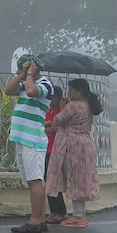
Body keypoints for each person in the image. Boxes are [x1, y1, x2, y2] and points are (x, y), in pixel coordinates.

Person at [4, 54, 54, 233]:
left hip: (33, 139)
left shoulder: (45, 84)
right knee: (31, 182)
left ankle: (35, 220)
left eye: (22, 69)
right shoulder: (26, 82)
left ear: (34, 68)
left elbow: (33, 93)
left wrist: (30, 74)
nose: (20, 72)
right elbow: (8, 90)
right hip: (22, 138)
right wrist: (22, 75)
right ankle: (39, 218)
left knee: (35, 181)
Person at [45, 78, 102, 228]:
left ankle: (78, 216)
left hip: (72, 146)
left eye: (71, 90)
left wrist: (63, 106)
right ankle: (79, 214)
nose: (69, 93)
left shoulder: (74, 106)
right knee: (80, 180)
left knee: (73, 179)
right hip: (85, 145)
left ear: (79, 91)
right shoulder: (87, 105)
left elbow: (58, 120)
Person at [44, 86, 68, 224]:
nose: (51, 100)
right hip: (45, 149)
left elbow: (58, 127)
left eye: (53, 97)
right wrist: (48, 125)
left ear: (59, 97)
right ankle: (54, 210)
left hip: (56, 150)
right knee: (48, 181)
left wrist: (47, 126)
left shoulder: (61, 113)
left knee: (54, 182)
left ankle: (60, 211)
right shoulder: (48, 112)